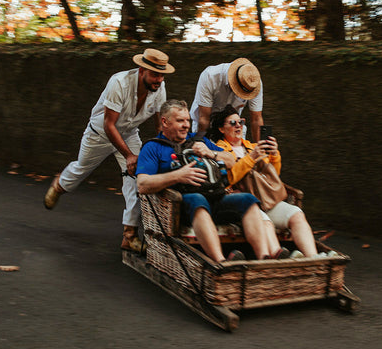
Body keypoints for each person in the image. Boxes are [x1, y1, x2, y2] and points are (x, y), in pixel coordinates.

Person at [44, 48, 174, 251]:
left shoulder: (160, 89)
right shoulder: (119, 83)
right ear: (142, 70)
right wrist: (129, 155)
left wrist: (162, 150)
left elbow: (160, 126)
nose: (159, 79)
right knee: (80, 169)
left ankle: (129, 236)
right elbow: (109, 125)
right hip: (100, 134)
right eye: (155, 74)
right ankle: (60, 184)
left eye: (162, 75)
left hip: (129, 134)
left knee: (136, 180)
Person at [136, 99, 287, 263]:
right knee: (197, 199)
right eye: (180, 121)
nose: (186, 125)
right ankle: (220, 262)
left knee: (248, 200)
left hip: (215, 196)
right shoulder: (152, 147)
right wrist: (178, 175)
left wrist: (210, 152)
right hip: (180, 205)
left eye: (188, 120)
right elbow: (142, 184)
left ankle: (263, 258)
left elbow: (230, 159)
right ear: (164, 122)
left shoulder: (199, 139)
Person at [209, 106, 318, 258]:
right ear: (221, 128)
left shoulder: (253, 146)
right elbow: (229, 178)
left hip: (268, 199)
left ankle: (314, 259)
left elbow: (273, 175)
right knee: (265, 222)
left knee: (297, 214)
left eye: (240, 121)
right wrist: (251, 158)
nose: (238, 125)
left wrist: (274, 155)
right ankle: (277, 257)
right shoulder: (219, 150)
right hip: (248, 205)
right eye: (232, 122)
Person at [189, 58, 264, 142]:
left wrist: (260, 148)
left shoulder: (253, 83)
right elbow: (204, 118)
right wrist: (200, 143)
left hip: (232, 126)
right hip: (205, 124)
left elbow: (256, 119)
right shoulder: (210, 76)